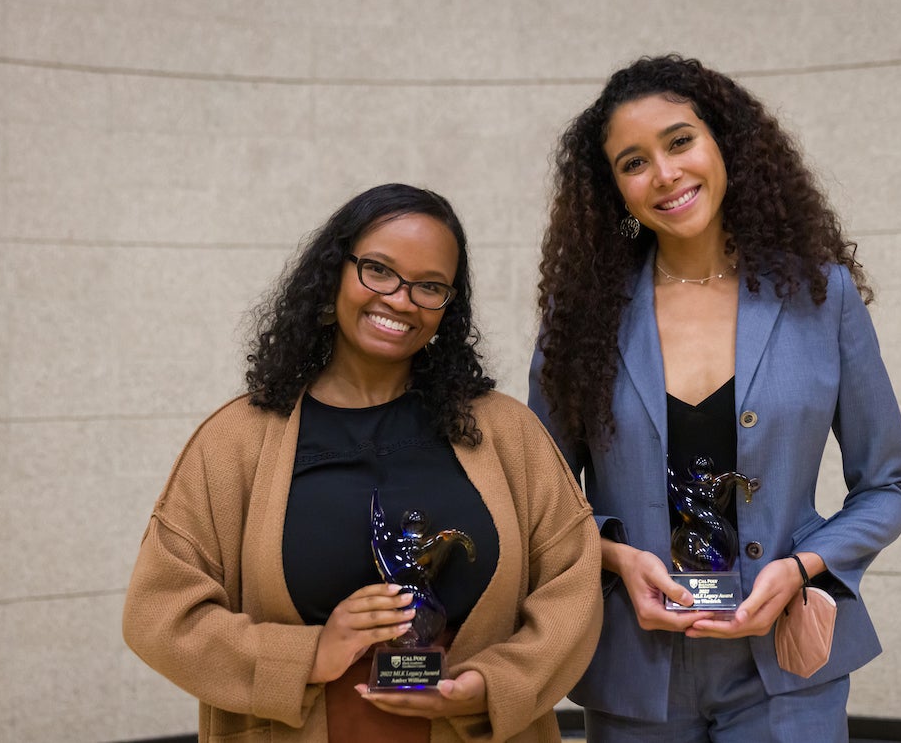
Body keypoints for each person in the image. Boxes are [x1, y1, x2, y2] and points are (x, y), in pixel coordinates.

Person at [124, 183, 602, 743]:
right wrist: (306, 657)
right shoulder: (235, 442)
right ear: (333, 274)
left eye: (430, 287)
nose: (401, 299)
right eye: (378, 270)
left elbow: (574, 580)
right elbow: (158, 613)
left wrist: (494, 686)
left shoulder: (506, 433)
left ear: (449, 308)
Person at [529, 55, 901, 742]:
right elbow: (539, 505)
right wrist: (619, 558)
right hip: (636, 673)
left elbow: (889, 486)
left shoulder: (821, 297)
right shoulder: (581, 317)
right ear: (614, 190)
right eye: (633, 162)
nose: (666, 173)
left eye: (680, 141)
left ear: (722, 144)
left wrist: (802, 567)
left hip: (787, 672)